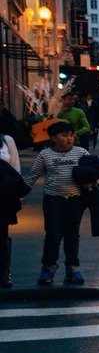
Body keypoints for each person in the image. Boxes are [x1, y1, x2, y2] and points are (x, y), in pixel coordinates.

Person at [24, 121, 90, 285]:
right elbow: (33, 176)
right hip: (53, 199)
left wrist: (92, 183)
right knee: (53, 235)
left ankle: (73, 269)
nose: (69, 138)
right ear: (53, 138)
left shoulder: (81, 152)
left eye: (71, 135)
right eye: (64, 135)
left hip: (75, 199)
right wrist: (19, 193)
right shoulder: (45, 155)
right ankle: (48, 269)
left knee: (72, 235)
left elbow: (94, 172)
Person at [0, 122, 21, 287]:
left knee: (2, 235)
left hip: (3, 195)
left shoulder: (6, 140)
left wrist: (18, 193)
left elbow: (15, 168)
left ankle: (4, 272)